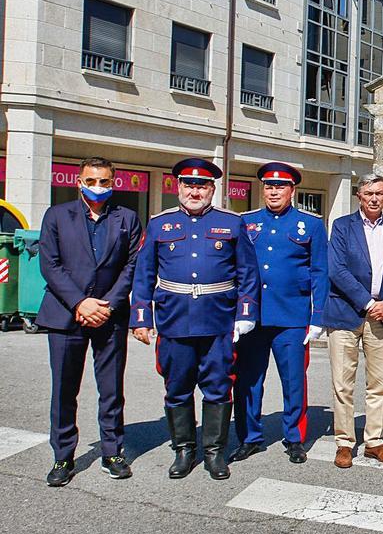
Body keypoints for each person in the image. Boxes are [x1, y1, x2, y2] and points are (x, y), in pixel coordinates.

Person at [131, 158, 259, 481]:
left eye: (202, 185)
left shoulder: (231, 223)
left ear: (212, 189)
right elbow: (144, 274)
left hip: (218, 322)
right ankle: (184, 450)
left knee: (217, 387)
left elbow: (248, 273)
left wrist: (246, 313)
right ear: (178, 187)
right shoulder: (160, 224)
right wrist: (141, 317)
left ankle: (214, 452)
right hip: (174, 320)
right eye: (189, 184)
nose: (194, 190)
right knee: (177, 387)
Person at [39, 157, 143, 486]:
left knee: (111, 389)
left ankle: (112, 451)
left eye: (104, 181)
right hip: (66, 314)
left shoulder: (127, 218)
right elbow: (50, 265)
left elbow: (132, 266)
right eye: (91, 180)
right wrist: (80, 302)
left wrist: (108, 305)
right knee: (64, 389)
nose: (97, 187)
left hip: (108, 317)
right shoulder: (56, 216)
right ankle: (63, 456)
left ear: (114, 183)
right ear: (79, 181)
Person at [231, 163, 328, 466]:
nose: (274, 191)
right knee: (247, 381)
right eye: (269, 187)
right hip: (253, 317)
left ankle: (295, 438)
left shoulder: (309, 225)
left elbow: (320, 273)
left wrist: (318, 317)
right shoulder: (246, 222)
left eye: (281, 186)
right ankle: (249, 437)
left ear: (292, 190)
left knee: (294, 380)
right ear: (263, 190)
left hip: (292, 317)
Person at [324, 173, 383, 469]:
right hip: (347, 312)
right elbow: (337, 271)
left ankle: (374, 441)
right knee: (343, 383)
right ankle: (345, 442)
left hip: (382, 316)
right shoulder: (342, 226)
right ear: (359, 196)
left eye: (380, 193)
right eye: (369, 193)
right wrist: (368, 302)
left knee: (379, 384)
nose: (375, 198)